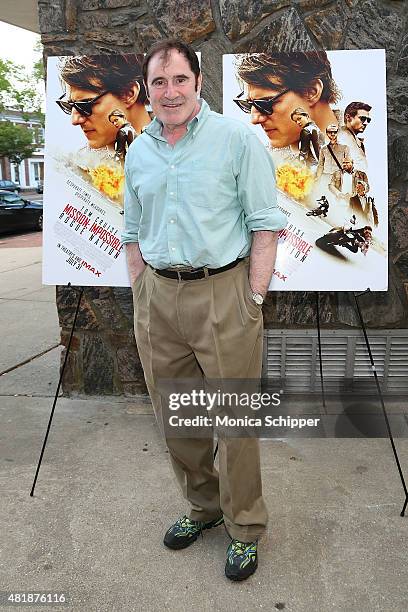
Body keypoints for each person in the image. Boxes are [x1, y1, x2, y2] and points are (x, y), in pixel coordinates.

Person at [122, 39, 287, 582]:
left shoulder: (238, 138)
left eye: (179, 80)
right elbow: (131, 230)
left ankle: (244, 528)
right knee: (178, 418)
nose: (169, 92)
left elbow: (265, 223)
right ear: (148, 89)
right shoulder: (140, 149)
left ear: (198, 83)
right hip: (158, 298)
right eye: (159, 82)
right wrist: (142, 291)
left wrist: (253, 298)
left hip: (223, 292)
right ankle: (204, 507)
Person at [234, 51, 341, 165]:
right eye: (249, 105)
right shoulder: (262, 165)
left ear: (312, 92)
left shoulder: (357, 145)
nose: (254, 119)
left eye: (265, 104)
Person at [56, 53, 151, 167]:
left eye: (85, 105)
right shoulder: (79, 166)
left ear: (129, 94)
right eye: (69, 106)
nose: (75, 120)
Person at [338, 101, 372, 172]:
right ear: (348, 117)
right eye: (362, 119)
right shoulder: (342, 138)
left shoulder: (353, 138)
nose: (366, 123)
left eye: (368, 120)